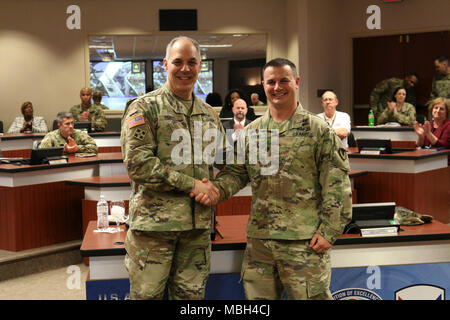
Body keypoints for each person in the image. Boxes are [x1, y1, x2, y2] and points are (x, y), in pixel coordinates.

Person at [193, 58, 352, 300]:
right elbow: (236, 173)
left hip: (304, 243)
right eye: (271, 82)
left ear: (296, 82)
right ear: (264, 86)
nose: (277, 87)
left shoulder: (317, 130)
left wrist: (330, 230)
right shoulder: (251, 132)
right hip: (261, 244)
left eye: (284, 80)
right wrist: (214, 190)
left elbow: (337, 184)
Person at [120, 36, 225, 300]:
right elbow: (139, 164)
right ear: (165, 64)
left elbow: (230, 162)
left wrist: (218, 190)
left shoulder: (210, 114)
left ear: (200, 66)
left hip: (196, 231)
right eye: (178, 62)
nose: (185, 69)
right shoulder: (144, 107)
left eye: (192, 62)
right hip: (153, 232)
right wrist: (193, 185)